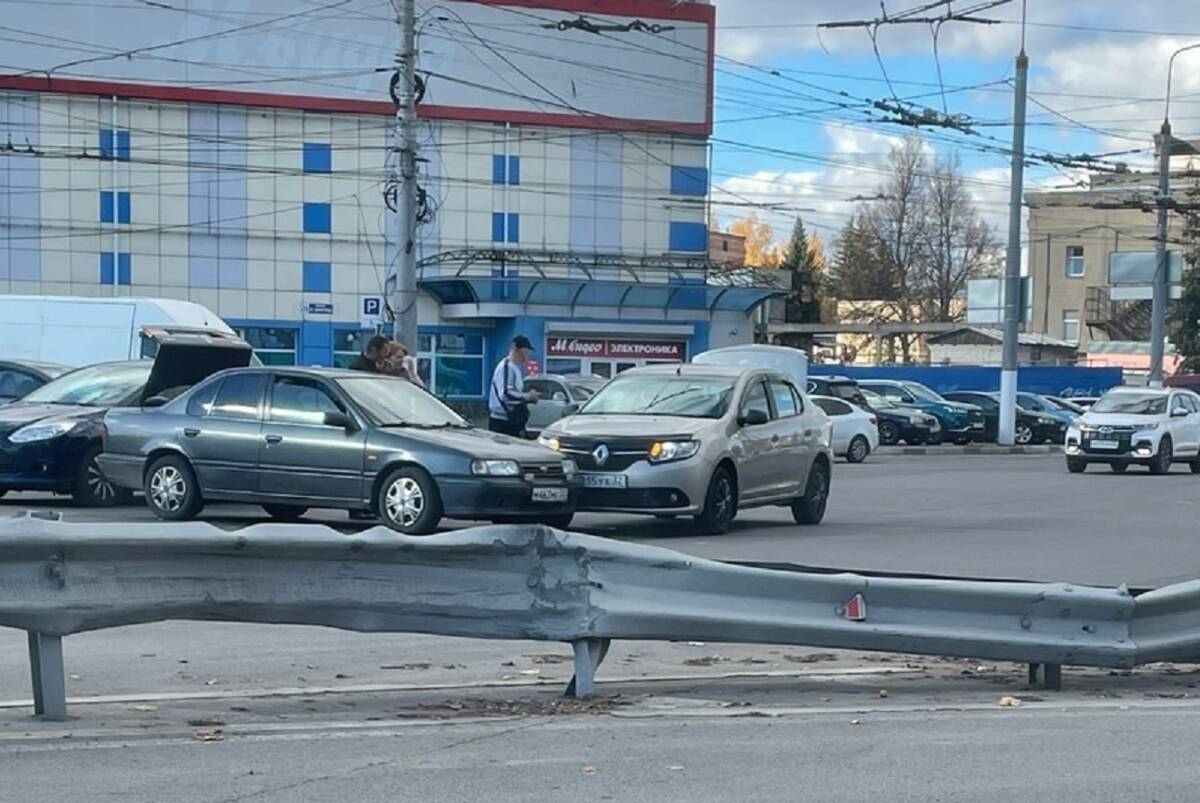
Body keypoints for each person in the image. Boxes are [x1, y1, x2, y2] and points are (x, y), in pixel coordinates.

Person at [488, 335, 540, 437]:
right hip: (502, 423)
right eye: (525, 351)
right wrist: (528, 396)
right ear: (514, 348)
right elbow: (506, 394)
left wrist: (529, 398)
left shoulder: (514, 368)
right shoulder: (506, 367)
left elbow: (512, 394)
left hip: (510, 420)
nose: (527, 355)